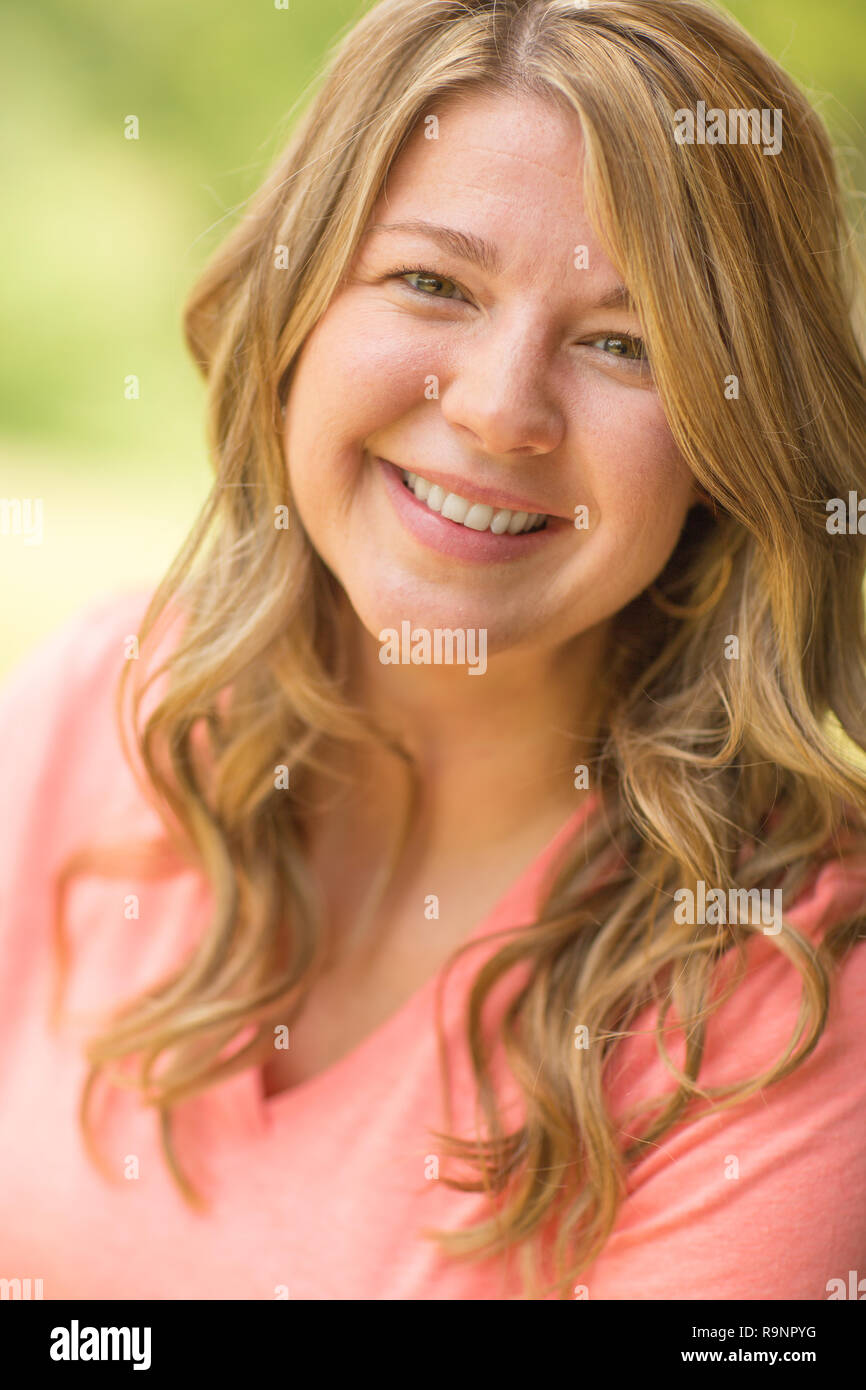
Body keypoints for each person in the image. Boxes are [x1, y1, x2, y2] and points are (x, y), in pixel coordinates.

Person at [2, 0, 866, 1301]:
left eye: (622, 346)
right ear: (293, 313)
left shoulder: (787, 984)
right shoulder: (105, 694)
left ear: (722, 450)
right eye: (431, 283)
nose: (499, 407)